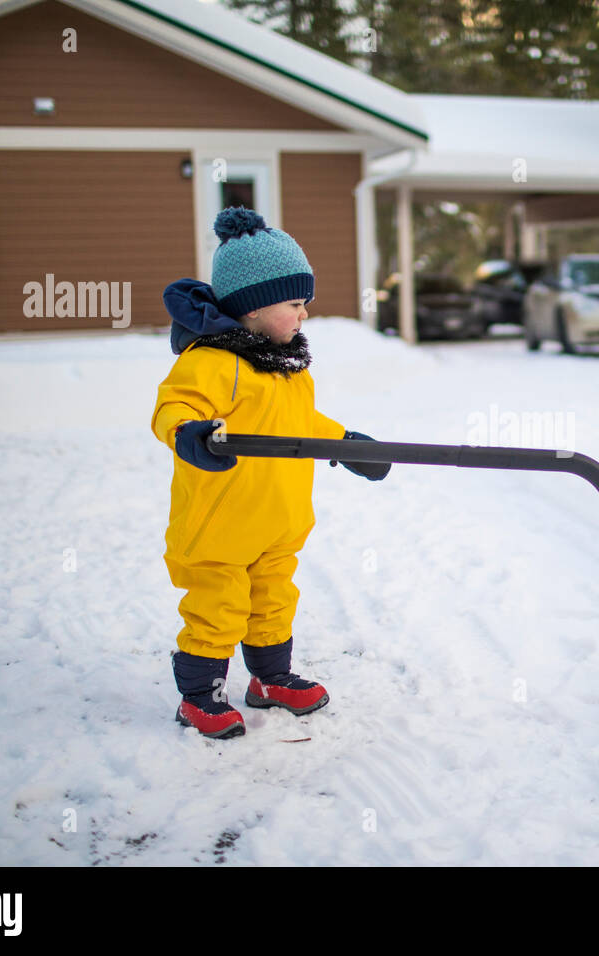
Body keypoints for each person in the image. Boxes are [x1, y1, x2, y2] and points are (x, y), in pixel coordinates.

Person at [151, 206, 389, 739]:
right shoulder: (210, 362)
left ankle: (269, 679)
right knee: (217, 609)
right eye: (294, 303)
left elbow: (303, 422)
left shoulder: (287, 368)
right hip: (219, 527)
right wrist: (191, 433)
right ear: (254, 308)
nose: (304, 314)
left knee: (273, 602)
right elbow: (173, 408)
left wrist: (347, 445)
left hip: (277, 524)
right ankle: (200, 696)